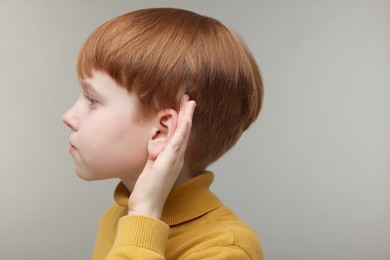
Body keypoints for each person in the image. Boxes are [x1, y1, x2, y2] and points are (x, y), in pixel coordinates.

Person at [63, 7, 264, 260]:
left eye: (92, 100)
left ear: (161, 132)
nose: (68, 116)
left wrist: (143, 219)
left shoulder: (225, 249)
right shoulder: (115, 218)